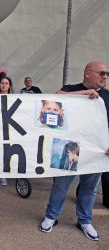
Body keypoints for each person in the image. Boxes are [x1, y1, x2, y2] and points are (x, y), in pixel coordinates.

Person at [40, 61, 109, 241]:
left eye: (106, 74)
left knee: (89, 188)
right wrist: (85, 93)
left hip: (97, 149)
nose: (105, 77)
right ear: (88, 73)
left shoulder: (108, 96)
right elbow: (57, 97)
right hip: (69, 145)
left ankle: (85, 220)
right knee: (61, 185)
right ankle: (51, 216)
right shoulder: (71, 89)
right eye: (101, 73)